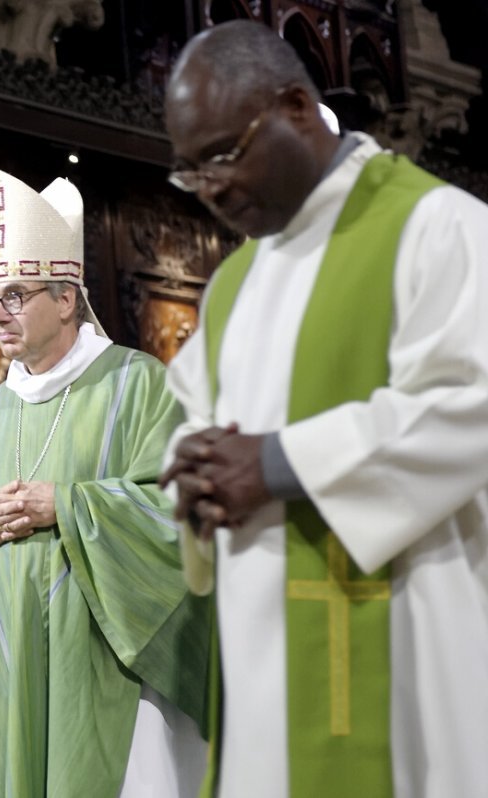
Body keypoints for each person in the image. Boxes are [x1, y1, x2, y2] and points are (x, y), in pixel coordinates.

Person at [159, 19, 488, 798]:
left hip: (407, 644)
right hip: (263, 661)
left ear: (297, 107)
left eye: (223, 155)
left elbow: (471, 408)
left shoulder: (439, 229)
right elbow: (197, 441)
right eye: (189, 170)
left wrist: (276, 464)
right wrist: (195, 485)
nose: (210, 188)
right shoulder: (232, 287)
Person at [0, 169, 209, 797]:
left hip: (102, 670)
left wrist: (69, 506)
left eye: (15, 296)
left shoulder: (136, 383)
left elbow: (181, 510)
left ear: (67, 298)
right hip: (3, 667)